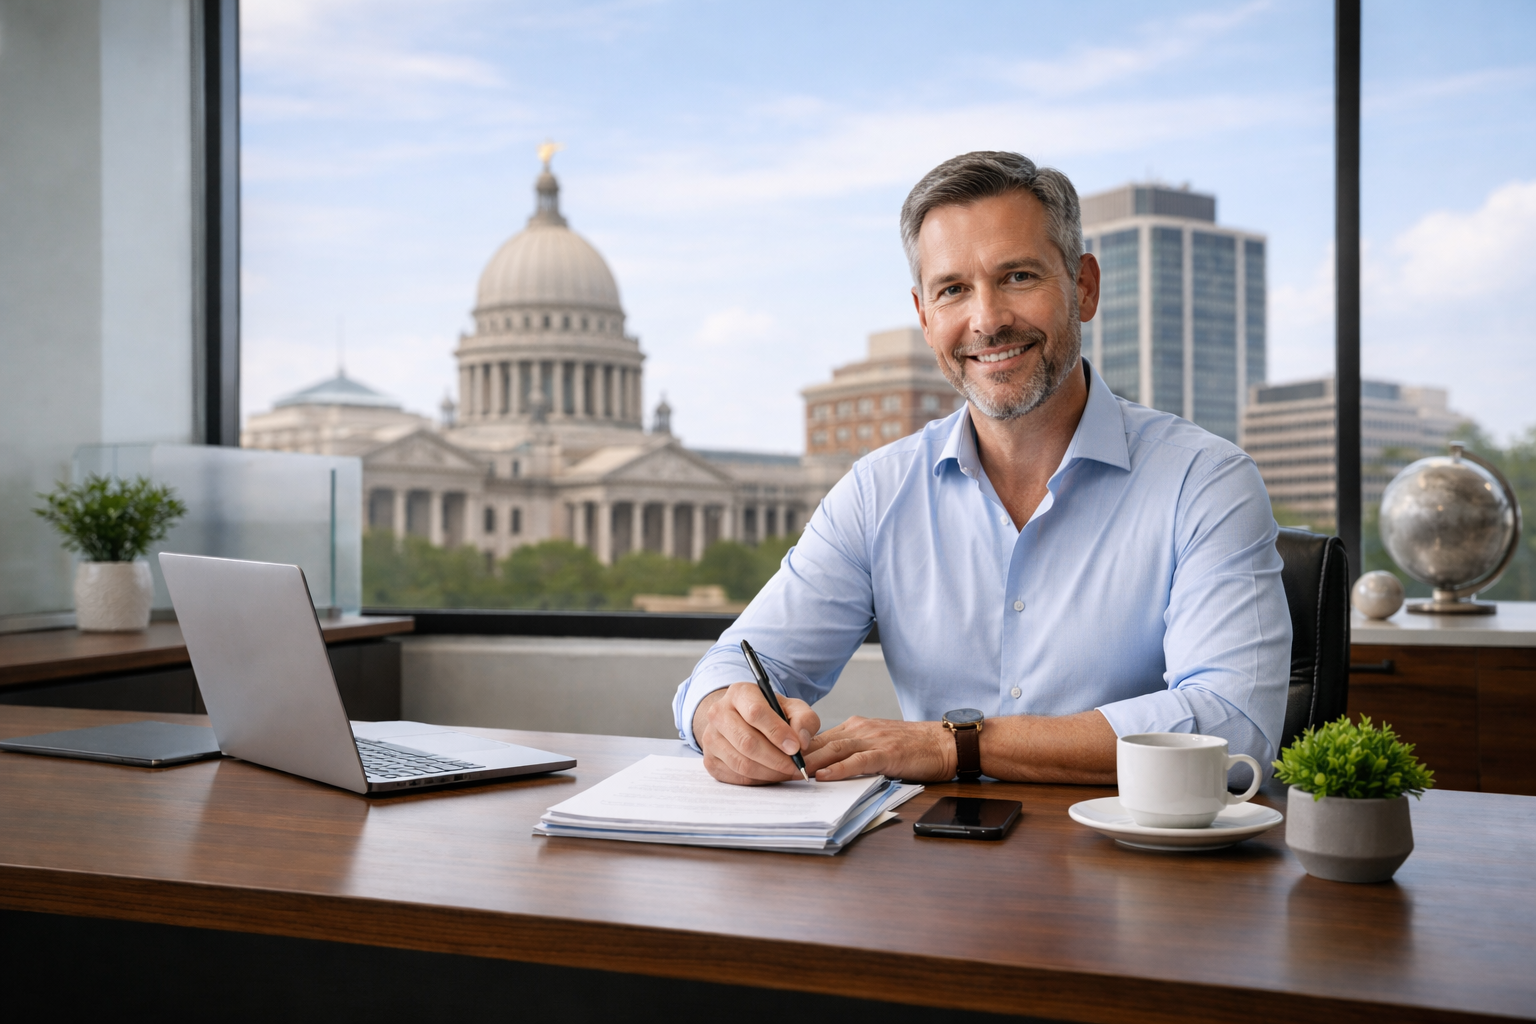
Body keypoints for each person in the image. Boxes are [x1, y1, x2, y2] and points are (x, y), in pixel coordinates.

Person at [673, 151, 1290, 787]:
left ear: (1084, 287)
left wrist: (957, 745)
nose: (988, 320)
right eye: (953, 290)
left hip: (1137, 868)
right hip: (935, 870)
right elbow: (732, 666)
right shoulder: (876, 492)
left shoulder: (1206, 481)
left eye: (1019, 276)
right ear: (924, 315)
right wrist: (721, 714)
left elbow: (1231, 726)